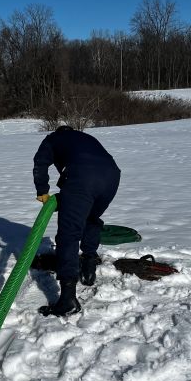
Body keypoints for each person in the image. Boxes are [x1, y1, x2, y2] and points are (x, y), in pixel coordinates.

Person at [33, 125, 120, 316]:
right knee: (91, 218)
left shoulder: (52, 139)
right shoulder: (83, 137)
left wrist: (42, 192)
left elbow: (40, 162)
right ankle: (88, 268)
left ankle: (67, 300)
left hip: (82, 176)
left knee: (68, 235)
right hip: (111, 176)